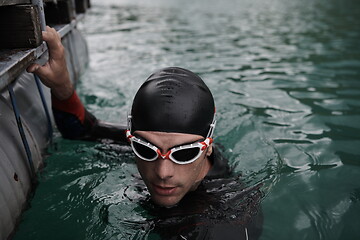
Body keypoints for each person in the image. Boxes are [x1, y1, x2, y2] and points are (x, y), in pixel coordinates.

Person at [27, 27, 263, 239]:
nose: (163, 172)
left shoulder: (228, 211)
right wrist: (62, 87)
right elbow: (83, 132)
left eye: (184, 154)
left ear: (208, 145)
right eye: (145, 149)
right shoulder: (145, 138)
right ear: (133, 138)